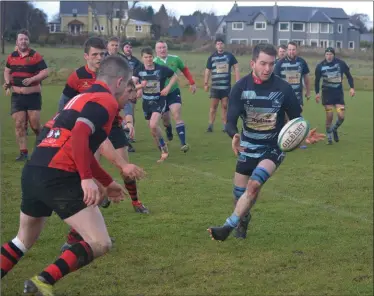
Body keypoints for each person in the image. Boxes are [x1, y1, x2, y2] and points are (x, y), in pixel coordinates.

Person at [0, 55, 145, 295]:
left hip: (35, 171)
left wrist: (107, 182)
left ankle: (38, 281)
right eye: (128, 86)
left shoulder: (79, 98)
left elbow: (71, 142)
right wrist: (87, 178)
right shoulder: (105, 101)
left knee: (22, 239)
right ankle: (42, 281)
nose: (128, 96)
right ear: (120, 81)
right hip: (59, 175)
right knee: (100, 242)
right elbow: (79, 134)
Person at [207, 43, 325, 242]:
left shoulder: (284, 89)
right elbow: (230, 121)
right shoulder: (240, 88)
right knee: (239, 194)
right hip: (247, 146)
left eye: (271, 64)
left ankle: (228, 226)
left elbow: (296, 120)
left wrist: (303, 135)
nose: (267, 69)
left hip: (273, 148)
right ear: (253, 63)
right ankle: (243, 218)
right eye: (263, 63)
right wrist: (234, 135)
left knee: (253, 186)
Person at [3, 29, 49, 161]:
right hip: (17, 97)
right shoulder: (11, 56)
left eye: (26, 39)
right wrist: (7, 82)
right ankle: (23, 153)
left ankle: (42, 142)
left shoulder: (35, 56)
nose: (23, 41)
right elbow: (7, 71)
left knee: (35, 125)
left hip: (33, 96)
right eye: (21, 39)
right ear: (17, 42)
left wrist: (33, 79)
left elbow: (45, 72)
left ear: (28, 41)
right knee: (19, 124)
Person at [132, 47, 178, 163]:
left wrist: (167, 88)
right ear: (142, 58)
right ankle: (162, 145)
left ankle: (164, 150)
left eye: (150, 57)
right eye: (146, 57)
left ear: (153, 57)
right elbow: (131, 85)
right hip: (146, 102)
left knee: (153, 125)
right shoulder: (138, 70)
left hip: (159, 100)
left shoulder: (161, 69)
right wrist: (140, 87)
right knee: (153, 131)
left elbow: (175, 76)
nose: (148, 59)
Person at [154, 40, 196, 152]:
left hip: (173, 91)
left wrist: (192, 82)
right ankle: (168, 129)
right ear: (156, 50)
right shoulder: (153, 62)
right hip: (161, 94)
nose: (162, 50)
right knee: (166, 120)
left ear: (167, 48)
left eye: (164, 47)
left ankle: (183, 143)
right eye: (159, 48)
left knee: (176, 114)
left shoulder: (175, 59)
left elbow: (184, 69)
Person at [314, 47, 355, 144]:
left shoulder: (341, 64)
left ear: (334, 55)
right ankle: (329, 137)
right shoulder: (320, 66)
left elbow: (349, 76)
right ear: (325, 55)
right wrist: (317, 93)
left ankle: (334, 129)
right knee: (330, 115)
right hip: (327, 94)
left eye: (330, 54)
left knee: (341, 116)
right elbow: (316, 81)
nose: (328, 56)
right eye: (327, 54)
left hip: (338, 95)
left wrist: (352, 88)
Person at [57, 37, 106, 112]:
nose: (99, 58)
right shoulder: (77, 76)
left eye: (102, 54)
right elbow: (64, 103)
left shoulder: (110, 75)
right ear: (86, 56)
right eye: (95, 54)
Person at [104, 37, 136, 152]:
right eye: (112, 45)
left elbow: (128, 74)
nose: (114, 47)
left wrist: (131, 87)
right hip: (105, 92)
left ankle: (126, 139)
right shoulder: (102, 58)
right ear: (107, 46)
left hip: (120, 90)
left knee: (125, 111)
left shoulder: (123, 59)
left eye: (116, 45)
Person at [204, 38, 240, 133]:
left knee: (224, 106)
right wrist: (206, 83)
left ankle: (225, 126)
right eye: (218, 44)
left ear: (223, 45)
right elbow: (207, 70)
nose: (220, 45)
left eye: (221, 44)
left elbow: (236, 67)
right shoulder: (212, 57)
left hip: (226, 87)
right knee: (213, 107)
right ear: (216, 46)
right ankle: (210, 125)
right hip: (215, 87)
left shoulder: (229, 56)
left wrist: (237, 80)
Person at [274, 41, 311, 108]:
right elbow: (276, 81)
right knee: (287, 118)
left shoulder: (302, 62)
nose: (291, 52)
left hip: (298, 96)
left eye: (293, 49)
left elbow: (306, 77)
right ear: (287, 50)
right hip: (284, 96)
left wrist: (308, 91)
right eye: (290, 49)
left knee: (296, 117)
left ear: (296, 50)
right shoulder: (279, 63)